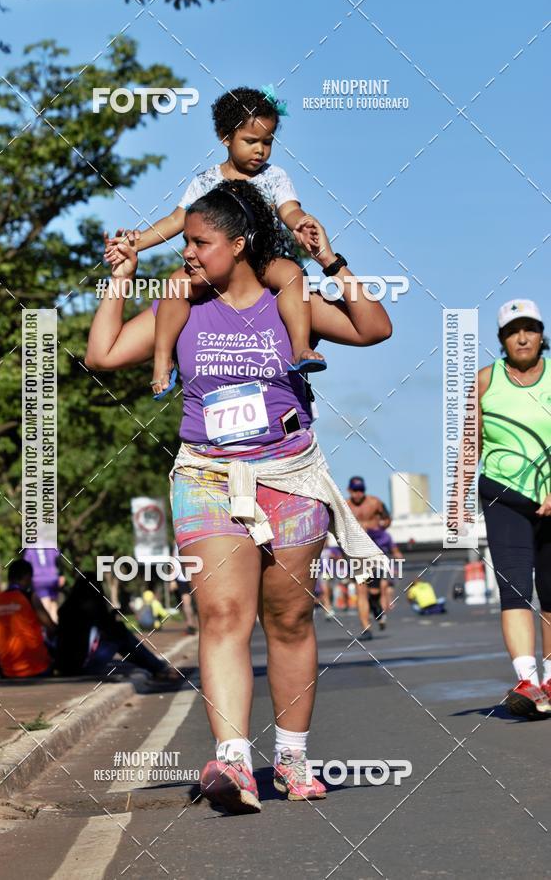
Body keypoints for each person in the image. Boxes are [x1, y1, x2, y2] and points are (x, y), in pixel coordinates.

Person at [89, 180, 392, 814]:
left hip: (289, 473)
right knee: (224, 616)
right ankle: (232, 764)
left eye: (200, 243)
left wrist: (332, 260)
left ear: (239, 243)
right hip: (206, 475)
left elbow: (374, 328)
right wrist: (121, 277)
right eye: (186, 243)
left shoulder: (290, 299)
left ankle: (291, 759)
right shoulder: (181, 303)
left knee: (288, 617)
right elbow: (103, 352)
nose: (188, 253)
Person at [104, 85, 333, 396]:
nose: (260, 150)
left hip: (261, 261)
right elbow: (176, 220)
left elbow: (289, 210)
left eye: (267, 142)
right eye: (250, 141)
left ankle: (300, 348)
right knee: (175, 285)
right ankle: (161, 362)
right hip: (215, 266)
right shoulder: (206, 181)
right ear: (226, 138)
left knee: (292, 274)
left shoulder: (275, 177)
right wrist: (136, 243)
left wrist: (301, 224)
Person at [473, 299, 551, 717]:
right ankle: (527, 680)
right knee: (516, 586)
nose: (522, 337)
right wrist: (458, 508)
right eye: (512, 330)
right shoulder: (485, 382)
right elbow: (470, 447)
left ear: (541, 333)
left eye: (530, 328)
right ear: (502, 340)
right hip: (504, 495)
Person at [55, 572, 180, 683]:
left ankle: (156, 667)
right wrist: (112, 618)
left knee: (119, 635)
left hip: (65, 666)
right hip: (83, 666)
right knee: (121, 634)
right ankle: (158, 667)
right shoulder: (90, 608)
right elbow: (106, 629)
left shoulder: (65, 609)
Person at [346, 477, 402, 636]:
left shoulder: (375, 502)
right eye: (355, 490)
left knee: (375, 591)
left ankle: (376, 605)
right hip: (357, 551)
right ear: (349, 490)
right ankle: (366, 627)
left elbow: (387, 518)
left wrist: (381, 525)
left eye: (361, 490)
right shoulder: (345, 506)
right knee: (361, 590)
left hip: (375, 549)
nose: (358, 494)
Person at [0, 560, 55, 679]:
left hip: (8, 671)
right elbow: (51, 627)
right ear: (26, 577)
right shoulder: (30, 597)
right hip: (37, 668)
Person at [22, 547, 64, 623]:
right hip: (52, 578)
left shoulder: (30, 548)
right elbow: (59, 560)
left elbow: (26, 564)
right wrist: (61, 575)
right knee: (53, 606)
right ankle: (55, 626)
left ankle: (50, 630)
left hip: (39, 580)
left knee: (45, 608)